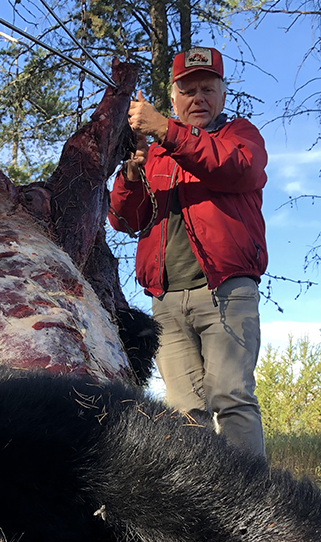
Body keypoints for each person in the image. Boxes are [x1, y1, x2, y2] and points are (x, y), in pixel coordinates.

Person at [108, 46, 268, 457]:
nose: (198, 98)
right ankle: (203, 513)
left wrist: (165, 129)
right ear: (174, 97)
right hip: (167, 301)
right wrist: (130, 173)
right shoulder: (157, 152)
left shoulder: (240, 137)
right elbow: (124, 220)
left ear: (223, 94)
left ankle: (252, 510)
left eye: (207, 89)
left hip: (227, 294)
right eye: (188, 90)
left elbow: (231, 168)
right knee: (183, 412)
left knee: (231, 398)